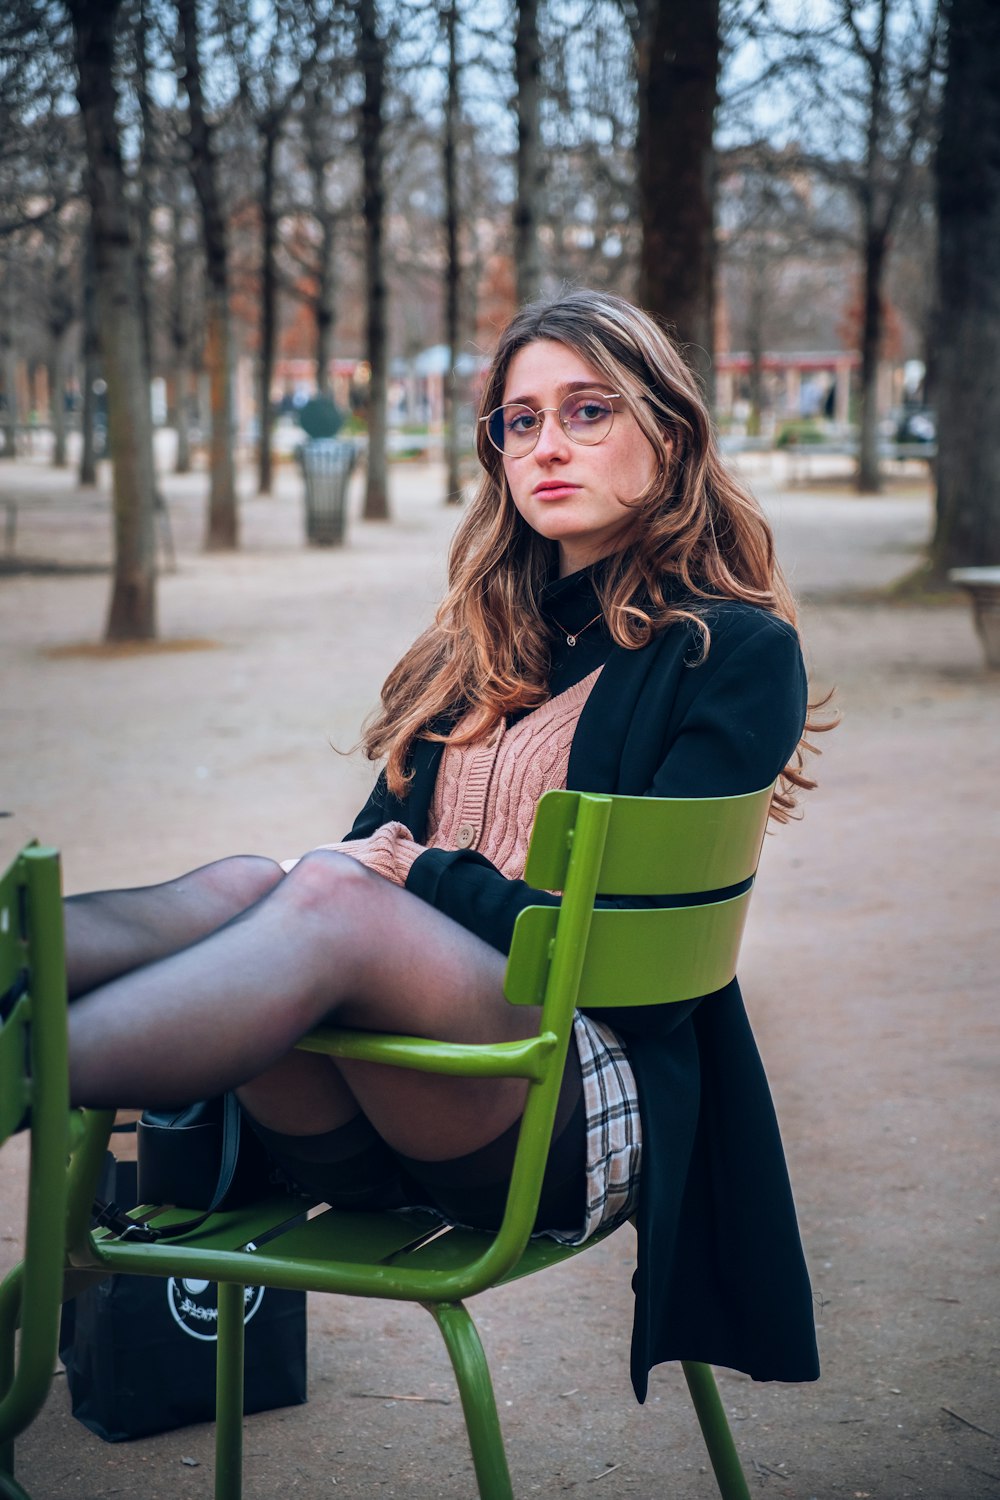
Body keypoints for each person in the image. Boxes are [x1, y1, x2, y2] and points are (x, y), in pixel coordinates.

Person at [62, 288, 823, 1398]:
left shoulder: (729, 651)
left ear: (669, 428)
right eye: (520, 422)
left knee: (323, 896)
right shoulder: (477, 640)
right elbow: (358, 864)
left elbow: (625, 972)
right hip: (366, 1116)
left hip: (561, 1114)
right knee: (257, 883)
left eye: (586, 411)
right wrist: (386, 873)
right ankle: (18, 974)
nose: (546, 446)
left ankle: (31, 1067)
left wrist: (428, 874)